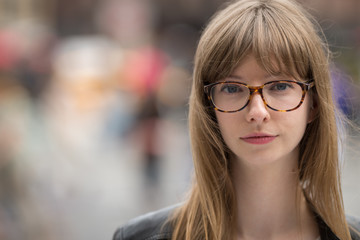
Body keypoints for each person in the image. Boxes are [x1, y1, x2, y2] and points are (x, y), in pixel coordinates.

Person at [113, 0, 360, 239]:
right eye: (232, 88)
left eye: (280, 86)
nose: (257, 112)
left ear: (313, 103)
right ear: (209, 107)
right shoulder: (140, 237)